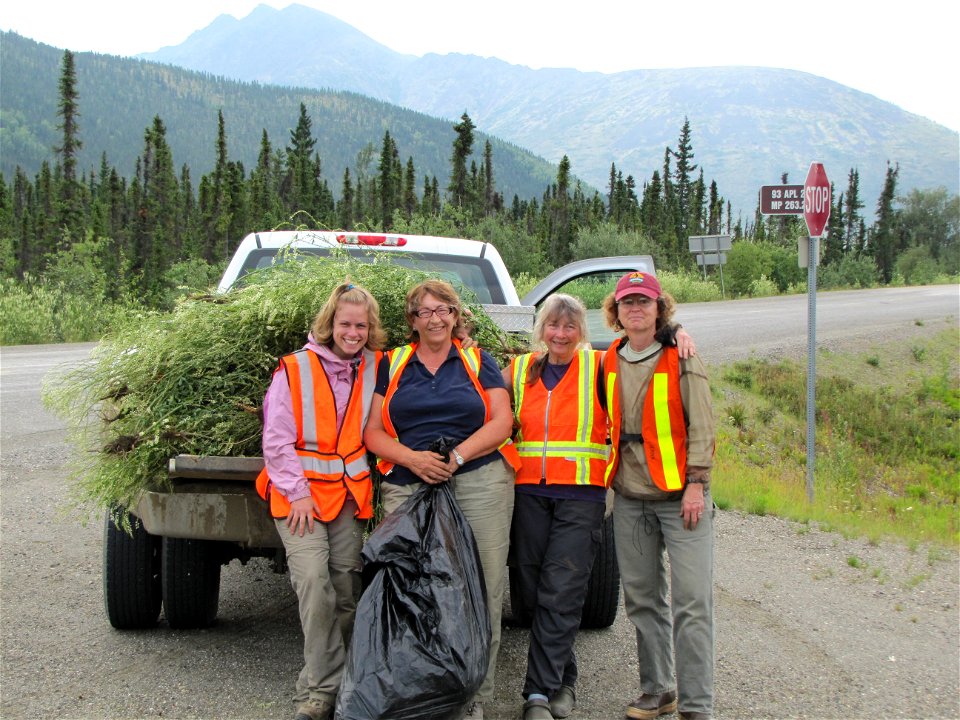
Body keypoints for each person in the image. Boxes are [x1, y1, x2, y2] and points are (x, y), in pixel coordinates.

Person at [503, 294, 696, 720]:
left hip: (582, 495)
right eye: (553, 326)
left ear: (582, 332)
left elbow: (641, 342)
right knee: (532, 593)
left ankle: (537, 694)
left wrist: (676, 331)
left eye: (570, 327)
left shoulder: (599, 364)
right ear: (541, 331)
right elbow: (483, 399)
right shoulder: (518, 370)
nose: (561, 334)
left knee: (564, 589)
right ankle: (563, 678)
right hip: (530, 494)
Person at [363, 278, 518, 720]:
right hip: (408, 486)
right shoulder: (392, 364)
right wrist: (414, 458)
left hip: (477, 482)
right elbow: (372, 432)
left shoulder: (476, 359)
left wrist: (457, 455)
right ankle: (421, 695)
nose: (434, 319)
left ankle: (473, 697)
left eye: (442, 310)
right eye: (423, 312)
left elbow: (502, 421)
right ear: (412, 321)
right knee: (413, 590)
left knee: (481, 588)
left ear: (455, 314)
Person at [255, 282, 386, 720]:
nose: (353, 333)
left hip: (347, 495)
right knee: (314, 584)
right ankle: (318, 691)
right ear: (330, 324)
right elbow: (275, 440)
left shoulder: (376, 366)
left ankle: (343, 680)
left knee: (346, 589)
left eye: (361, 326)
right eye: (346, 324)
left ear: (371, 329)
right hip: (299, 499)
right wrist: (297, 493)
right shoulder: (294, 369)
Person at [602, 271, 716, 720]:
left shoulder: (682, 355)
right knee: (643, 601)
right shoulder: (610, 356)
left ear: (659, 309)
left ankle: (697, 706)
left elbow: (703, 425)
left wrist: (697, 484)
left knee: (692, 604)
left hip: (680, 499)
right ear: (616, 311)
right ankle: (657, 691)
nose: (635, 309)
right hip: (630, 497)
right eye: (627, 302)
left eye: (643, 302)